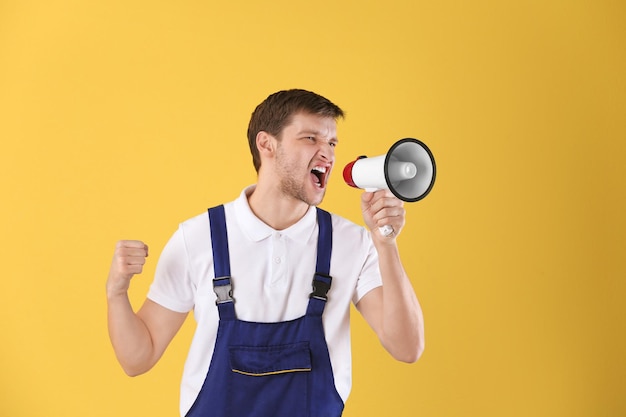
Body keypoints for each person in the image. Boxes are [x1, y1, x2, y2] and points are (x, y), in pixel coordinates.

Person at [106, 89, 425, 417]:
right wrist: (116, 293)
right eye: (310, 138)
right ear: (266, 144)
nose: (327, 154)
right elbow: (137, 359)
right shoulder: (198, 238)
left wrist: (386, 242)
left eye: (331, 143)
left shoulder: (353, 243)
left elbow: (407, 347)